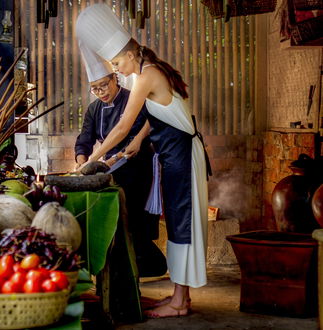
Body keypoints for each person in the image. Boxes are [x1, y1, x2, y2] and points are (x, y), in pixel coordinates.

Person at [76, 3, 211, 318]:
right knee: (178, 225)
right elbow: (156, 114)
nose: (118, 69)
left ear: (132, 54)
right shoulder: (150, 72)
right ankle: (180, 298)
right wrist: (136, 142)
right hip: (175, 158)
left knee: (184, 226)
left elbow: (123, 125)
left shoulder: (145, 76)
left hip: (183, 158)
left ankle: (180, 303)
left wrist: (89, 161)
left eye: (118, 62)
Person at [75, 41, 167, 278]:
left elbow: (138, 129)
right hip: (112, 166)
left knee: (133, 220)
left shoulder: (132, 96)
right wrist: (81, 158)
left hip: (137, 165)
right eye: (95, 89)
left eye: (104, 85)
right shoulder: (94, 109)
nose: (101, 92)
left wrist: (106, 159)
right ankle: (123, 265)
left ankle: (144, 265)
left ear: (115, 79)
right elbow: (85, 138)